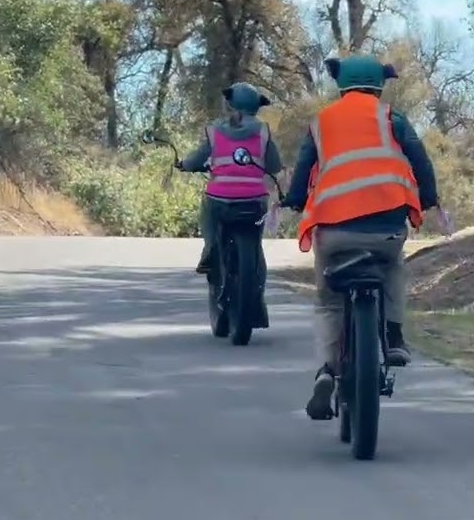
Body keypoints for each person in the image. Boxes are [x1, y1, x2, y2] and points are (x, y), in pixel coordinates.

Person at [281, 54, 452, 421]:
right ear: (378, 86)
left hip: (334, 230)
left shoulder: (321, 123)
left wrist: (295, 200)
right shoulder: (391, 118)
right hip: (386, 227)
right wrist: (428, 199)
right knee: (393, 268)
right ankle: (393, 337)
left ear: (342, 86)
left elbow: (302, 172)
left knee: (329, 302)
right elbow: (420, 161)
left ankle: (327, 369)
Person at [177, 83, 284, 330]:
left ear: (231, 104)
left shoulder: (214, 132)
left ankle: (210, 252)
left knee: (211, 228)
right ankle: (256, 300)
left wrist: (185, 165)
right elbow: (275, 166)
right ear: (256, 107)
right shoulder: (264, 132)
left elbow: (195, 160)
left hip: (219, 203)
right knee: (256, 250)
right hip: (254, 203)